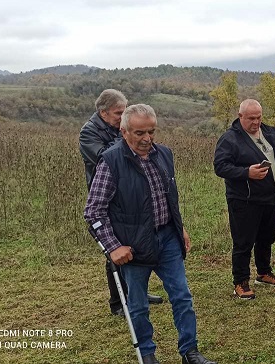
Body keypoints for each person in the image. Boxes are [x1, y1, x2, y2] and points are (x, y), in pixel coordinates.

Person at [84, 104, 215, 364]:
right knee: (139, 305)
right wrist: (113, 247)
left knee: (182, 296)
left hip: (167, 239)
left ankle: (190, 352)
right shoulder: (110, 162)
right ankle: (147, 354)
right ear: (124, 132)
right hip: (133, 246)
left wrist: (180, 228)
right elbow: (93, 211)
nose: (147, 139)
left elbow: (168, 198)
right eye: (139, 133)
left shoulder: (164, 154)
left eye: (151, 132)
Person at [78, 89, 163, 316]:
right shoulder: (88, 133)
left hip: (129, 193)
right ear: (103, 112)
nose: (121, 116)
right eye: (118, 113)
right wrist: (125, 136)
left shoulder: (117, 129)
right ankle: (118, 302)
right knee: (114, 247)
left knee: (134, 243)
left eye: (125, 111)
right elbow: (108, 157)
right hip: (108, 197)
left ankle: (137, 293)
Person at [213, 99, 275, 300]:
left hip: (269, 197)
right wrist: (247, 172)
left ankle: (264, 273)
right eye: (251, 118)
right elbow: (220, 166)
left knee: (266, 237)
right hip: (244, 200)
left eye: (259, 117)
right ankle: (240, 282)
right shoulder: (230, 139)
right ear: (240, 117)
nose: (256, 122)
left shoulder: (270, 132)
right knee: (243, 241)